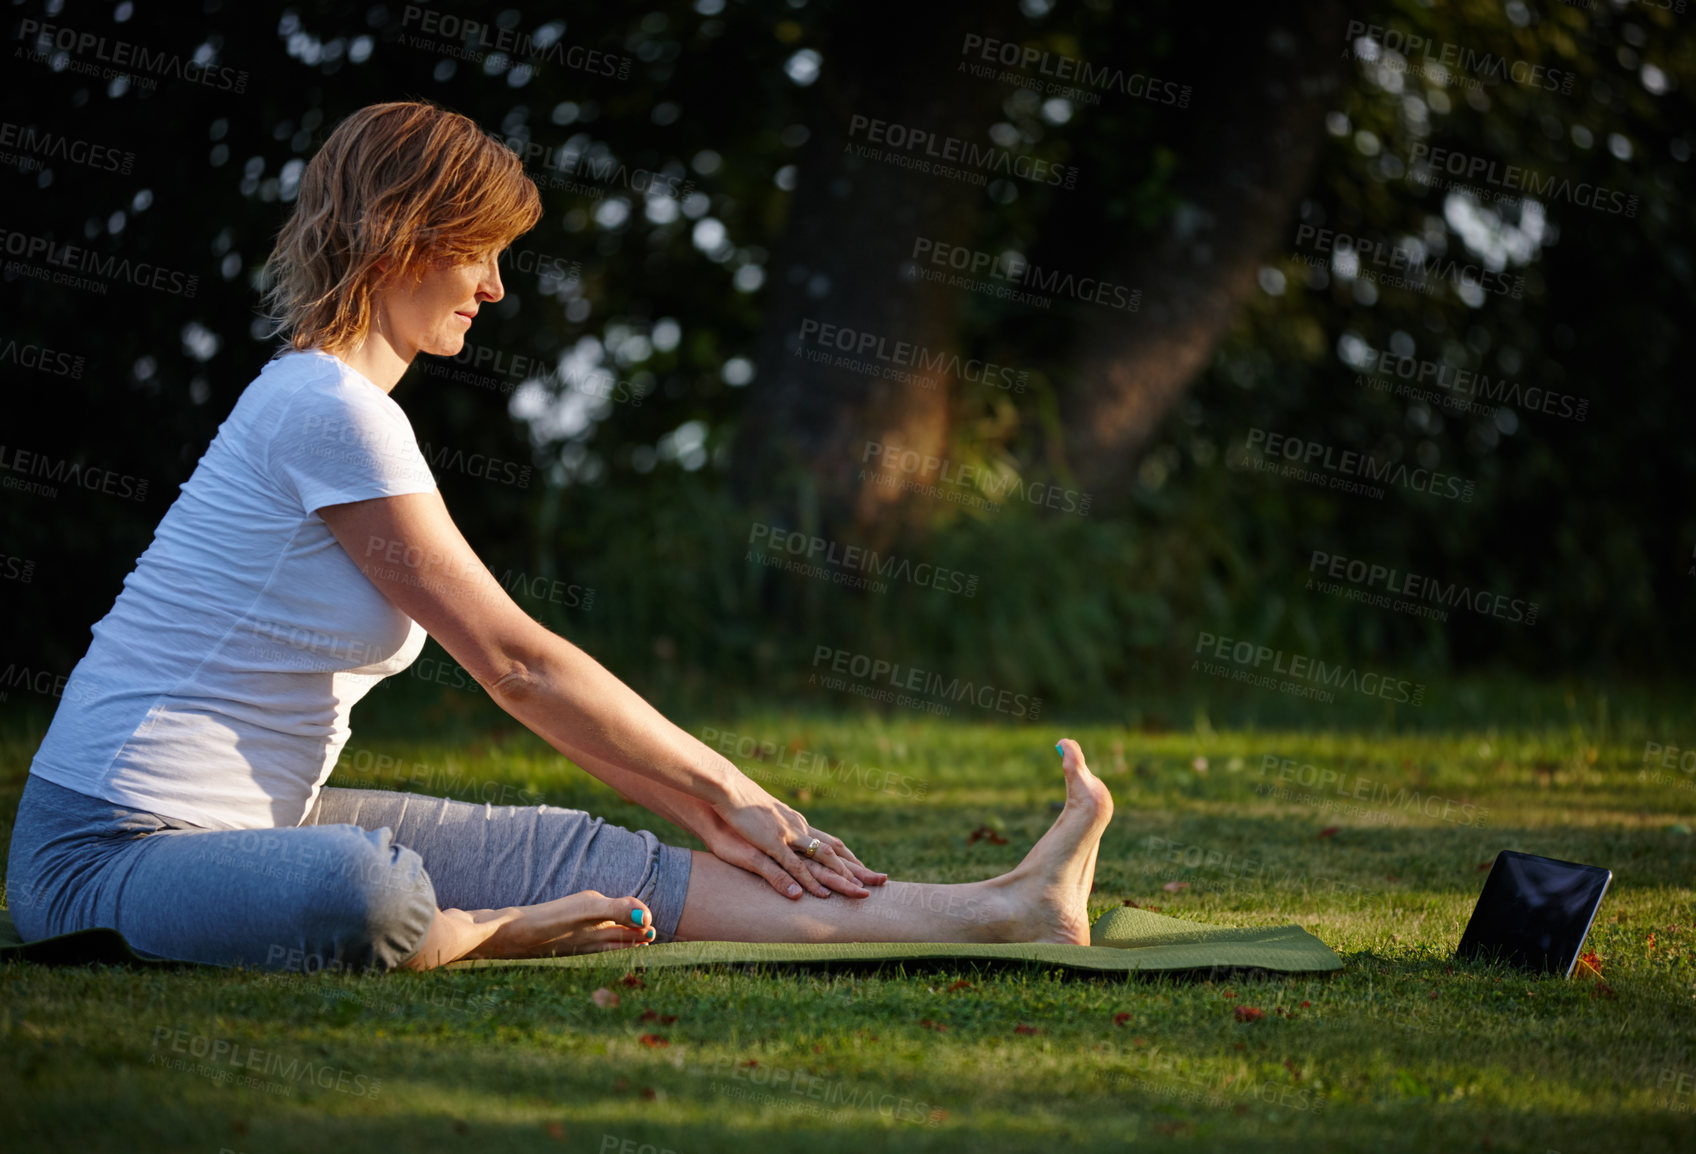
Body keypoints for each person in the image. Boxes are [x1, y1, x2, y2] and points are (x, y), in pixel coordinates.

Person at [5, 101, 1114, 974]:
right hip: (107, 853)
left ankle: (1002, 906)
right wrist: (725, 784)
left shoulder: (337, 407)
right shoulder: (324, 408)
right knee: (369, 895)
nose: (494, 287)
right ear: (403, 237)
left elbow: (526, 680)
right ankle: (487, 930)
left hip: (250, 823)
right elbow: (517, 664)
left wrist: (697, 809)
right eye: (479, 253)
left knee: (578, 846)